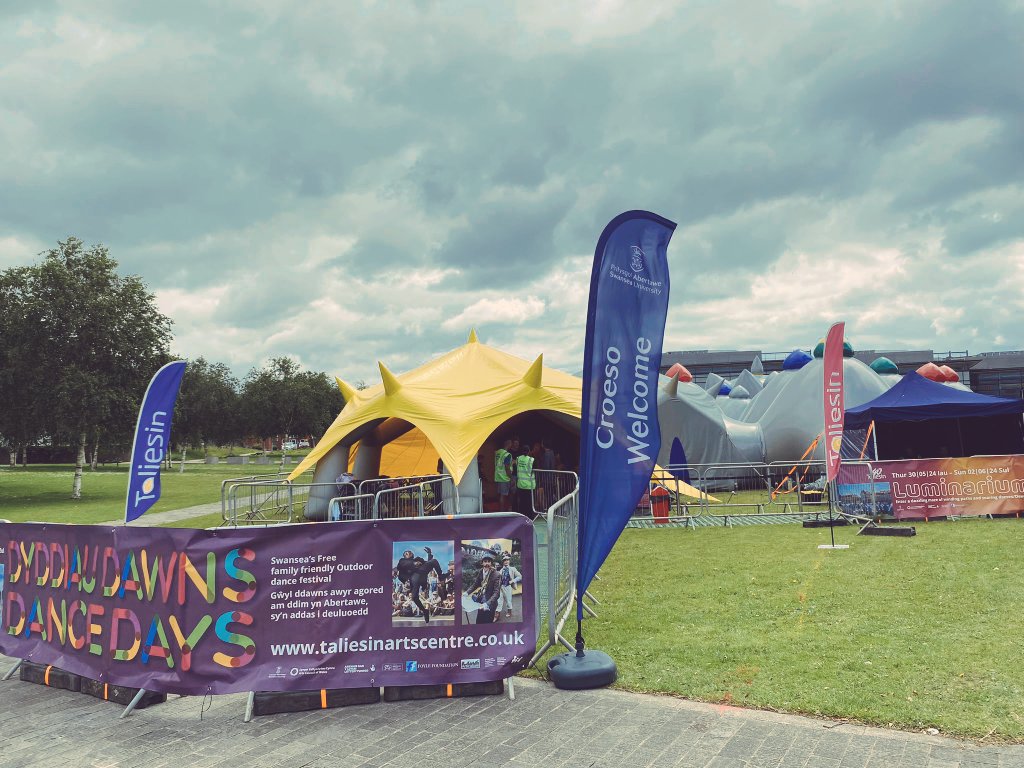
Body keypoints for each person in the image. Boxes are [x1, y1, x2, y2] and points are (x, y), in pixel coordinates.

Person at [468, 553, 500, 624]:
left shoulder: (496, 574)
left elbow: (496, 593)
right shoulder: (481, 572)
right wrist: (466, 593)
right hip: (481, 602)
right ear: (482, 563)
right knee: (478, 622)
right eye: (485, 561)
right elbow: (475, 584)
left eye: (489, 561)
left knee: (487, 624)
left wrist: (487, 604)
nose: (487, 564)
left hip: (490, 604)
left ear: (491, 563)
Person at [495, 554, 522, 620]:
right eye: (504, 560)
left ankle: (509, 611)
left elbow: (520, 576)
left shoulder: (512, 569)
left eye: (507, 560)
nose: (506, 561)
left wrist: (513, 580)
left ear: (509, 561)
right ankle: (497, 614)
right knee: (499, 600)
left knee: (508, 600)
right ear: (503, 562)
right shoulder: (501, 570)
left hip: (508, 587)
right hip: (501, 587)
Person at [515, 444, 536, 518]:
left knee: (522, 502)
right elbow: (534, 470)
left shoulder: (518, 459)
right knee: (529, 503)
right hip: (529, 485)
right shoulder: (531, 460)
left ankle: (522, 516)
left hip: (520, 484)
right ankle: (530, 517)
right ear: (529, 451)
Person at [494, 439, 513, 510]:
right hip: (504, 477)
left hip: (498, 476)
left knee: (500, 495)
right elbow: (507, 467)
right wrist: (511, 478)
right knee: (503, 496)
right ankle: (502, 511)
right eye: (511, 443)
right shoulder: (507, 455)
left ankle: (502, 510)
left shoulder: (497, 452)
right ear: (508, 444)